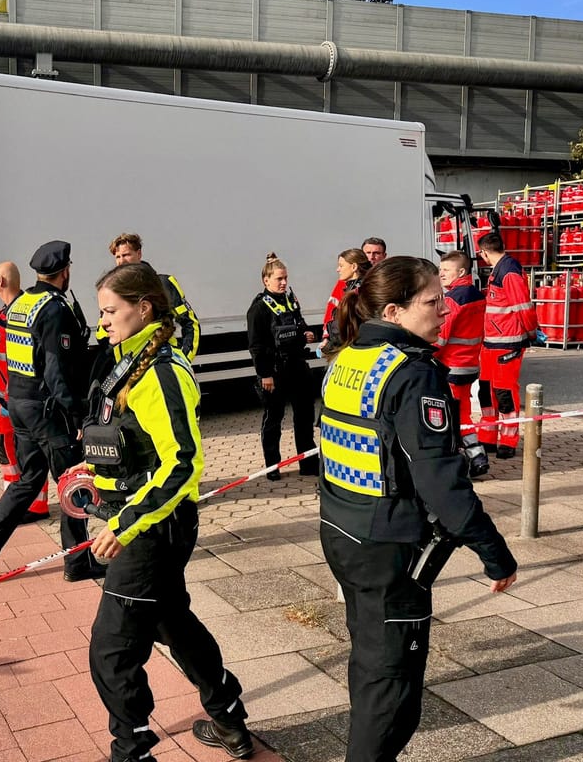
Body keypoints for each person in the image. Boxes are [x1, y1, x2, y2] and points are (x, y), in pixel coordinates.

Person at [318, 256, 517, 762]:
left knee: (369, 662)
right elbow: (441, 484)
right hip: (389, 549)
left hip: (343, 531)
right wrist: (495, 554)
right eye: (432, 301)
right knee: (393, 689)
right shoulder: (411, 374)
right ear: (394, 310)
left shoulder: (348, 359)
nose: (445, 309)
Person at [78, 262, 253, 762]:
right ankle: (229, 717)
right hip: (143, 522)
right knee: (172, 623)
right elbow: (134, 444)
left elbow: (182, 465)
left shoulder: (160, 371)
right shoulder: (128, 360)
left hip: (152, 531)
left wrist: (127, 524)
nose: (104, 322)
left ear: (145, 307)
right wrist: (95, 474)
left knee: (111, 649)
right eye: (102, 312)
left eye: (111, 311)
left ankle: (131, 749)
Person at [0, 240, 105, 582]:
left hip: (20, 404)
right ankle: (77, 561)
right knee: (74, 482)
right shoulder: (53, 309)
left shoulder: (22, 303)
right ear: (65, 271)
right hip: (47, 409)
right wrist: (77, 414)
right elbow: (56, 372)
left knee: (29, 480)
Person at [0, 261, 49, 523]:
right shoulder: (2, 314)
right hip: (4, 397)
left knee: (26, 452)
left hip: (18, 398)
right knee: (5, 447)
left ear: (0, 281)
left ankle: (34, 505)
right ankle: (12, 499)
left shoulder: (21, 313)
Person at [246, 253, 318, 481]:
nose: (284, 282)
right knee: (273, 420)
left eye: (285, 278)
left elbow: (300, 323)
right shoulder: (258, 308)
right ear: (266, 281)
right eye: (279, 279)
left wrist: (307, 333)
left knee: (305, 417)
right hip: (274, 372)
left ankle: (308, 463)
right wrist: (265, 374)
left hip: (297, 366)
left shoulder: (290, 300)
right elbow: (256, 345)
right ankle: (272, 466)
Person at [477, 233, 538, 459]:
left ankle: (508, 441)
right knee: (486, 391)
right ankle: (487, 437)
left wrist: (531, 331)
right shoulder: (500, 270)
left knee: (504, 393)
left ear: (483, 253)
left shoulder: (508, 271)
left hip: (507, 342)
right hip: (492, 342)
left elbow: (523, 305)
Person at [94, 233, 201, 360]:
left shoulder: (163, 284)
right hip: (127, 363)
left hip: (159, 359)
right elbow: (101, 336)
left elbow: (190, 323)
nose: (121, 261)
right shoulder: (114, 291)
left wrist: (184, 359)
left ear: (139, 254)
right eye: (118, 257)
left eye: (126, 255)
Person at [436, 251, 489, 477]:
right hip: (469, 365)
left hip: (451, 366)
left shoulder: (453, 299)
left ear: (461, 272)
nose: (441, 274)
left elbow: (441, 337)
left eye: (446, 270)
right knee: (464, 413)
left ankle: (463, 463)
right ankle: (477, 456)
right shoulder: (476, 294)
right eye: (440, 270)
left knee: (451, 417)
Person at [322, 247, 371, 351]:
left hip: (356, 348)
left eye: (341, 265)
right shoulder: (352, 288)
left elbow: (354, 326)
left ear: (354, 267)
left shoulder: (361, 292)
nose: (337, 269)